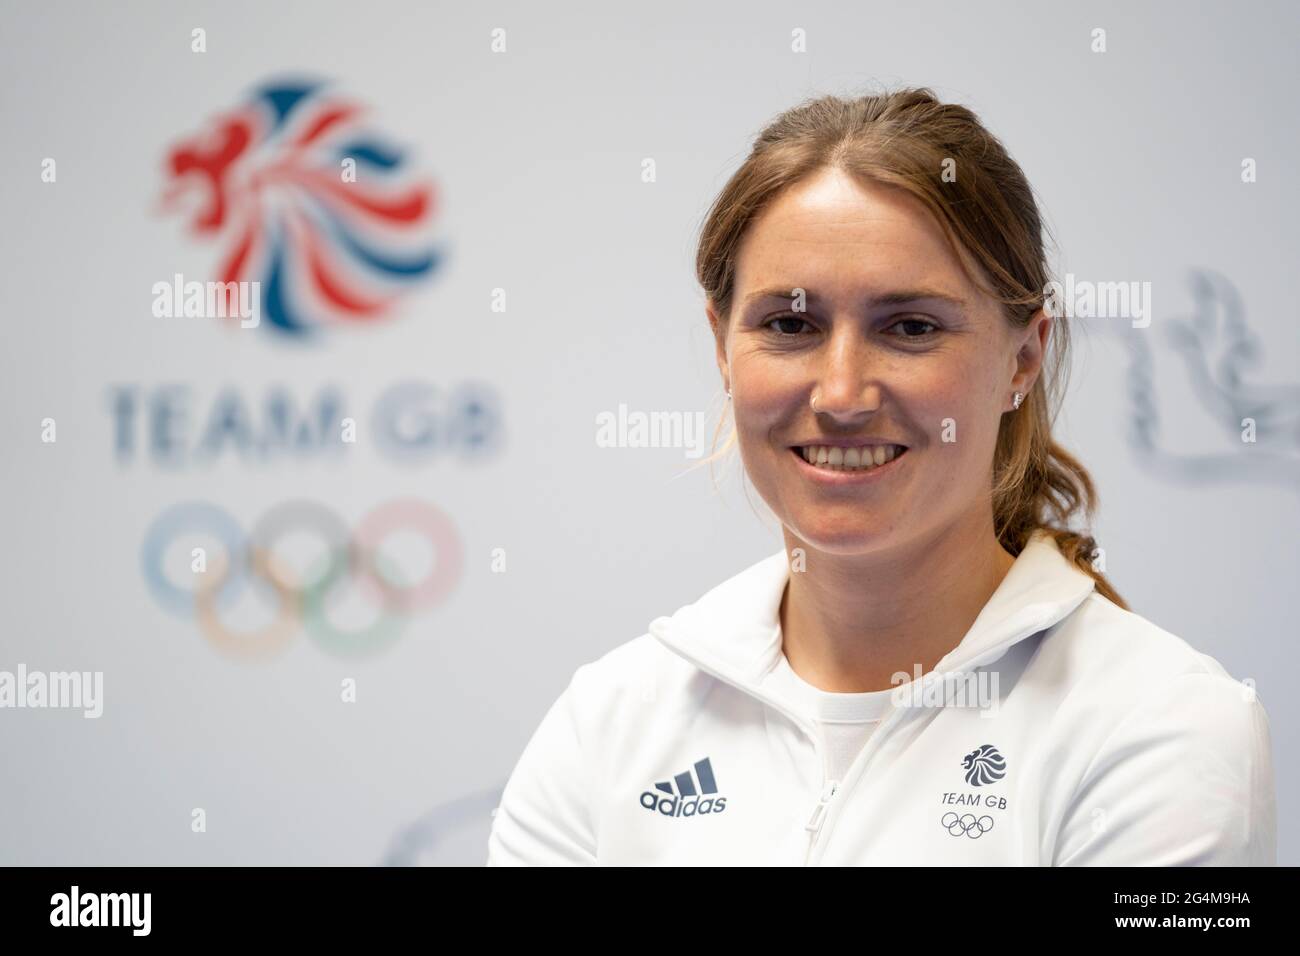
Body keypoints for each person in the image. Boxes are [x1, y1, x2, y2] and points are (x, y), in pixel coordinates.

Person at [485, 88, 1276, 865]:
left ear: (1023, 359)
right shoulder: (611, 724)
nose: (841, 396)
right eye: (790, 325)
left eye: (910, 328)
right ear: (722, 349)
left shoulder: (1163, 729)